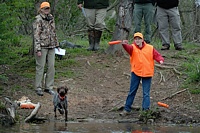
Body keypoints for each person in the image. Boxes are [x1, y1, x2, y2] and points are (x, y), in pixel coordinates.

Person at [119, 32, 164, 116]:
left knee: (146, 93)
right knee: (132, 91)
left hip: (147, 73)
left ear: (142, 40)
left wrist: (160, 60)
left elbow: (157, 55)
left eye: (139, 39)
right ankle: (127, 109)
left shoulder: (150, 48)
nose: (137, 40)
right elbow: (127, 48)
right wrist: (124, 44)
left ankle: (145, 111)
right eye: (136, 39)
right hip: (136, 72)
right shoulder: (132, 48)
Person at [33, 2, 59, 96]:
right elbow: (36, 35)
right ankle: (38, 87)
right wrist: (38, 49)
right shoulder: (38, 19)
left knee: (51, 67)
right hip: (42, 46)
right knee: (40, 67)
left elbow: (53, 32)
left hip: (51, 46)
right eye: (45, 8)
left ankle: (49, 87)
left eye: (48, 8)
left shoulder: (51, 18)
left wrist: (57, 44)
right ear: (41, 9)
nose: (46, 10)